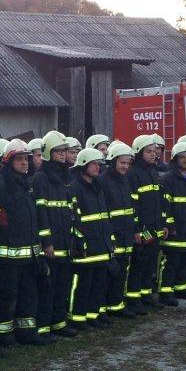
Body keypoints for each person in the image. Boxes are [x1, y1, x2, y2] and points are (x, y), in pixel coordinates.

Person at [0, 139, 47, 347]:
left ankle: (27, 333)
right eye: (20, 159)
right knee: (6, 297)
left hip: (28, 256)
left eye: (26, 159)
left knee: (28, 296)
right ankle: (4, 336)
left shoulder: (26, 184)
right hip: (8, 257)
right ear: (8, 161)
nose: (24, 163)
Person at [32, 131, 76, 338]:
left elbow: (70, 210)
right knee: (47, 287)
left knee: (62, 285)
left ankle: (59, 323)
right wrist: (47, 242)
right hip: (51, 245)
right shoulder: (40, 178)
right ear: (48, 153)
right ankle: (43, 327)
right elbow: (41, 212)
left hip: (65, 241)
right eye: (58, 151)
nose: (62, 154)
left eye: (64, 150)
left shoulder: (65, 177)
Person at [68, 148, 115, 327]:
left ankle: (93, 315)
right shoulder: (75, 188)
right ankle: (77, 318)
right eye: (94, 164)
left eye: (99, 164)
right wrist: (81, 242)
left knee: (98, 283)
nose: (98, 167)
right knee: (83, 285)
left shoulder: (97, 187)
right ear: (83, 165)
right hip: (86, 247)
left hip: (101, 245)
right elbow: (75, 219)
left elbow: (104, 216)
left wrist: (109, 239)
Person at [157, 141, 186, 305]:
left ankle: (181, 288)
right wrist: (170, 225)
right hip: (176, 228)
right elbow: (165, 205)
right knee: (172, 262)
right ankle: (165, 292)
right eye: (183, 157)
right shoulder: (168, 179)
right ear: (175, 159)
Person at [125, 134, 165, 313]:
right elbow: (133, 205)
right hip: (143, 229)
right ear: (139, 152)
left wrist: (162, 224)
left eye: (154, 151)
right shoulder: (133, 174)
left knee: (150, 263)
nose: (153, 154)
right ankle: (134, 299)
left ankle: (146, 295)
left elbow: (158, 201)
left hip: (154, 228)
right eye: (148, 151)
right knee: (139, 263)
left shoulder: (152, 171)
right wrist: (137, 229)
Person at [97, 140, 136, 318]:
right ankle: (102, 307)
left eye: (128, 163)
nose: (125, 166)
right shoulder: (102, 181)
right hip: (112, 235)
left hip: (126, 234)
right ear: (113, 161)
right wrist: (109, 235)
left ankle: (116, 305)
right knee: (108, 274)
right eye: (122, 162)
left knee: (122, 272)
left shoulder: (125, 180)